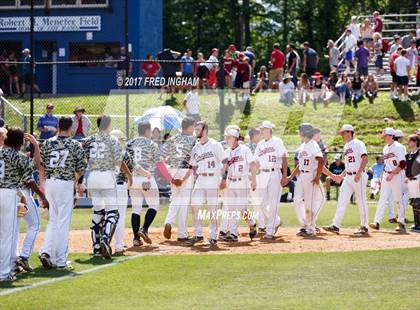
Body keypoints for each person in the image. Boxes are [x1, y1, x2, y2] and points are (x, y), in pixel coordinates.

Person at [38, 117, 87, 270]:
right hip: (65, 183)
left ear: (58, 126)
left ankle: (47, 252)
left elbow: (42, 164)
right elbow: (81, 168)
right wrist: (76, 180)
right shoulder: (75, 144)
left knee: (53, 220)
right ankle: (60, 261)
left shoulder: (47, 142)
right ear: (71, 127)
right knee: (63, 222)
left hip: (50, 182)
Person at [0, 127, 48, 281]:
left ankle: (9, 266)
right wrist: (42, 196)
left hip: (7, 192)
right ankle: (4, 272)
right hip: (9, 195)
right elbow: (30, 176)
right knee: (7, 235)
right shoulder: (17, 156)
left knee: (3, 234)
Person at [82, 115, 130, 258]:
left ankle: (96, 248)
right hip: (107, 176)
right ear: (109, 125)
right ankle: (105, 239)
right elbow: (119, 161)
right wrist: (129, 174)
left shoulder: (90, 140)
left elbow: (84, 159)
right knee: (113, 212)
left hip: (92, 177)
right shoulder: (112, 139)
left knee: (97, 213)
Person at [126, 121, 173, 246]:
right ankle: (144, 229)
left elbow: (124, 161)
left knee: (136, 208)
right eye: (150, 131)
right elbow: (159, 164)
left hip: (132, 179)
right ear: (147, 131)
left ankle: (136, 239)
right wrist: (169, 178)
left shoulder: (130, 143)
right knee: (153, 205)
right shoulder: (151, 144)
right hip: (145, 180)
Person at [185, 121, 227, 246]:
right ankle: (198, 234)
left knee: (212, 209)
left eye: (198, 129)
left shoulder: (215, 145)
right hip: (200, 180)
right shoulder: (195, 148)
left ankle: (213, 236)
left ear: (205, 131)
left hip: (213, 179)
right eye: (195, 129)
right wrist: (184, 179)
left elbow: (225, 161)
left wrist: (223, 178)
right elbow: (192, 166)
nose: (196, 131)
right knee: (195, 205)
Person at [323, 124, 369, 235]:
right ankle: (335, 225)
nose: (342, 135)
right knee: (342, 200)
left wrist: (358, 173)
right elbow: (348, 165)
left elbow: (365, 158)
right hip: (348, 177)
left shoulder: (358, 143)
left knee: (361, 201)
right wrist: (341, 176)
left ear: (349, 132)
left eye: (343, 133)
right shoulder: (346, 146)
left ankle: (364, 227)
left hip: (359, 176)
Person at [285, 123, 324, 237]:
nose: (299, 134)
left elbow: (321, 161)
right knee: (297, 200)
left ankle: (310, 228)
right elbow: (299, 165)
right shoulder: (303, 145)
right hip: (302, 175)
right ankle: (305, 224)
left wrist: (317, 177)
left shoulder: (313, 145)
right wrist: (290, 176)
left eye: (300, 131)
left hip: (310, 175)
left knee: (309, 203)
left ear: (304, 132)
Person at [162, 117, 196, 241]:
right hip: (185, 171)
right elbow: (194, 160)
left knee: (176, 199)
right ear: (190, 127)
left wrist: (170, 177)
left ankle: (169, 222)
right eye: (193, 127)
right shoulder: (193, 140)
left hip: (173, 170)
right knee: (184, 202)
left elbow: (162, 159)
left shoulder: (172, 139)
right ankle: (182, 233)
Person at [221, 127, 258, 241]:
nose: (227, 139)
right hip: (231, 182)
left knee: (241, 208)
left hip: (243, 181)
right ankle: (233, 233)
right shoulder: (227, 152)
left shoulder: (244, 149)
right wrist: (222, 180)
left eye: (229, 137)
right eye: (227, 137)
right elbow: (224, 168)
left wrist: (254, 180)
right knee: (232, 209)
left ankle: (251, 224)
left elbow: (252, 164)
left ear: (235, 138)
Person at [254, 120, 288, 240]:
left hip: (274, 173)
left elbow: (283, 157)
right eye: (261, 129)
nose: (262, 131)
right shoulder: (260, 144)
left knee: (274, 203)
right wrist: (253, 177)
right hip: (262, 174)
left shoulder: (277, 141)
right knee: (261, 202)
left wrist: (285, 175)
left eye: (263, 129)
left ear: (269, 130)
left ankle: (270, 230)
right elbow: (256, 162)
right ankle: (276, 221)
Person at [370, 128, 407, 232]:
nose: (384, 137)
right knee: (382, 199)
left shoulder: (399, 147)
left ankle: (401, 223)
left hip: (396, 175)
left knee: (398, 200)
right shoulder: (385, 148)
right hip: (387, 175)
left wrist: (392, 174)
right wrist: (383, 176)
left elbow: (403, 164)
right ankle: (377, 222)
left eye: (385, 135)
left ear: (391, 136)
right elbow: (386, 164)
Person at [109, 129, 132, 256]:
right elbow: (132, 168)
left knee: (108, 215)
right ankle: (118, 245)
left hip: (107, 186)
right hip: (120, 185)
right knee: (120, 216)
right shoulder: (124, 153)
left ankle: (104, 242)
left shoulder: (104, 153)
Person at [405, 134, 419, 231]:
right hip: (410, 181)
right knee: (414, 203)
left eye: (410, 140)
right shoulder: (409, 155)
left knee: (419, 202)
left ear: (415, 142)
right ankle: (416, 224)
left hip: (418, 179)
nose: (408, 142)